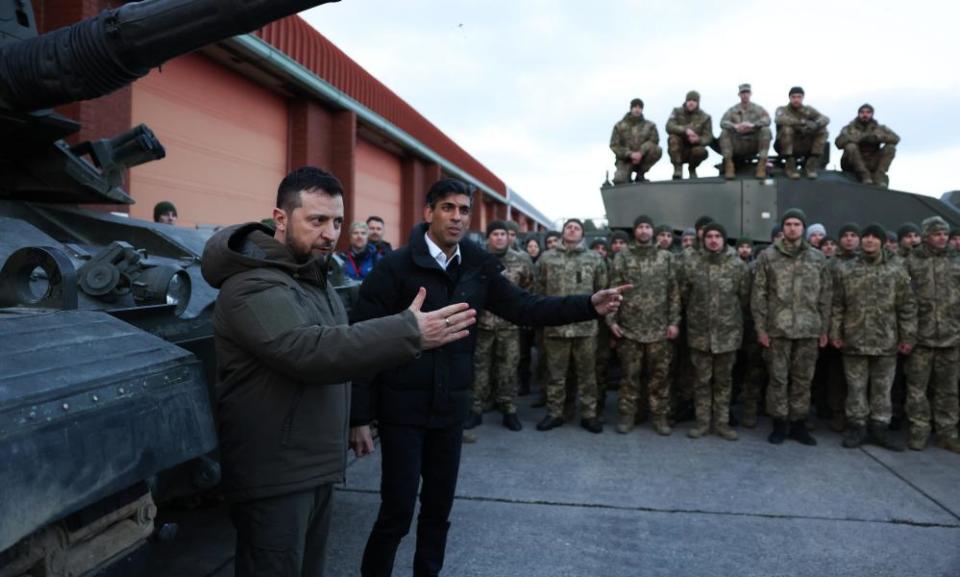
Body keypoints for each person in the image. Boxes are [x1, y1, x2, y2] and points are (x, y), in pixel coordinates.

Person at [200, 166, 474, 577]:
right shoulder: (253, 285)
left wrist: (354, 419)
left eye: (337, 222)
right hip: (276, 471)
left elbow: (341, 351)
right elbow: (307, 350)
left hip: (312, 463)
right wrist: (406, 331)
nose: (331, 234)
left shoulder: (310, 278)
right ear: (280, 218)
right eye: (317, 221)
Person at [349, 179, 627, 577]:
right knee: (396, 511)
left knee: (438, 511)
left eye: (464, 210)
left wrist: (588, 305)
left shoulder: (477, 267)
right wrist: (359, 416)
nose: (457, 217)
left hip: (449, 411)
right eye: (448, 208)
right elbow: (361, 340)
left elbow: (526, 308)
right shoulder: (396, 267)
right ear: (428, 213)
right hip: (402, 410)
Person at [830, 223, 916, 451]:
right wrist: (835, 332)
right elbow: (838, 304)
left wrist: (907, 336)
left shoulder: (898, 269)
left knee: (882, 388)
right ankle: (857, 427)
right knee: (856, 388)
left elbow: (907, 306)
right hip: (854, 339)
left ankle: (880, 428)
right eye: (865, 236)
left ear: (881, 241)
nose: (869, 240)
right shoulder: (846, 269)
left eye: (874, 237)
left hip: (886, 341)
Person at [752, 208, 831, 445]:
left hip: (808, 329)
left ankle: (798, 424)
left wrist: (824, 329)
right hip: (778, 329)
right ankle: (779, 423)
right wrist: (761, 329)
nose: (793, 228)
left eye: (797, 224)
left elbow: (825, 295)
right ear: (783, 228)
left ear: (803, 228)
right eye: (788, 224)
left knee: (803, 379)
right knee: (778, 379)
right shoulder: (768, 256)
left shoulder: (817, 258)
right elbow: (759, 295)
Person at [608, 215, 682, 435]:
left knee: (660, 377)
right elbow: (612, 291)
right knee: (629, 377)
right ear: (635, 231)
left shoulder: (666, 257)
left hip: (659, 330)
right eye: (640, 226)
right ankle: (628, 416)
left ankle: (659, 417)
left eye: (647, 227)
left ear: (653, 231)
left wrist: (674, 322)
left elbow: (674, 292)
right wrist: (611, 321)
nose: (644, 230)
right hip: (630, 329)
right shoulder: (622, 257)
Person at [535, 218, 611, 433]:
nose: (572, 230)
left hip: (585, 328)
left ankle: (589, 415)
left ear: (582, 234)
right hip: (555, 327)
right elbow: (538, 289)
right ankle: (555, 413)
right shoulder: (547, 258)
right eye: (569, 227)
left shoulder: (594, 258)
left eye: (576, 228)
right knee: (556, 375)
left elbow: (602, 290)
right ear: (562, 232)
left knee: (587, 374)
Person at [681, 221, 749, 440]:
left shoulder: (737, 265)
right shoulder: (692, 263)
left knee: (724, 382)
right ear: (704, 239)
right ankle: (702, 423)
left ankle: (721, 423)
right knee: (701, 381)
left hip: (727, 335)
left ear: (723, 239)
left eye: (717, 236)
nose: (713, 240)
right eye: (709, 236)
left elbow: (745, 298)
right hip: (700, 333)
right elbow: (683, 295)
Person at [465, 221, 535, 432]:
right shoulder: (477, 260)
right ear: (489, 237)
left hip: (510, 327)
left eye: (503, 234)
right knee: (479, 368)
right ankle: (476, 409)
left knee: (508, 368)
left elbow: (529, 289)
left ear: (509, 237)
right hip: (482, 325)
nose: (499, 238)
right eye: (494, 234)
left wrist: (523, 317)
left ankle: (509, 409)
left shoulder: (521, 260)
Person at [902, 216, 960, 453]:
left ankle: (948, 433)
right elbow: (903, 300)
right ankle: (919, 430)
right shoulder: (911, 262)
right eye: (936, 233)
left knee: (948, 389)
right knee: (917, 389)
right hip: (921, 337)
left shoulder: (956, 260)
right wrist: (907, 334)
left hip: (951, 336)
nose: (942, 237)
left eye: (944, 233)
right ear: (926, 236)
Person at [835, 104, 899, 188]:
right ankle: (864, 175)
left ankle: (879, 176)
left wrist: (878, 137)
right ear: (858, 114)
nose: (865, 115)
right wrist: (858, 138)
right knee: (851, 146)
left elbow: (895, 138)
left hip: (872, 161)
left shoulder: (880, 128)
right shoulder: (849, 128)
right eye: (862, 112)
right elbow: (838, 142)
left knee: (890, 148)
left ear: (872, 114)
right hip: (852, 162)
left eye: (868, 112)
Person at [774, 87, 830, 179]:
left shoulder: (808, 110)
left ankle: (810, 166)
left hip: (804, 143)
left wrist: (816, 124)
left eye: (799, 97)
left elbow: (825, 118)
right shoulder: (782, 109)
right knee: (787, 129)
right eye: (793, 97)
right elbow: (779, 119)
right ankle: (790, 167)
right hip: (786, 145)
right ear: (790, 98)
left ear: (802, 97)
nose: (796, 99)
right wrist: (802, 123)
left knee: (823, 130)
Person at [719, 83, 772, 179]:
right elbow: (723, 122)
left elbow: (767, 120)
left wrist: (753, 125)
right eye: (743, 93)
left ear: (750, 94)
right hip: (738, 143)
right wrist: (735, 126)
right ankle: (729, 165)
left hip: (753, 143)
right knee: (724, 133)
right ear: (739, 94)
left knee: (766, 130)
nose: (745, 95)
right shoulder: (732, 110)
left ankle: (761, 165)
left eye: (747, 92)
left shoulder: (758, 109)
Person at [610, 98, 662, 184]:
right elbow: (614, 145)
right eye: (635, 107)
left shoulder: (650, 125)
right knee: (619, 181)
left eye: (640, 107)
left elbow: (654, 141)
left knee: (657, 150)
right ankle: (627, 177)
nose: (637, 109)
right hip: (625, 160)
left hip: (643, 158)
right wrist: (630, 154)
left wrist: (641, 153)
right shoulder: (619, 126)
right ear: (631, 108)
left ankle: (640, 174)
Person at [666, 90, 714, 180]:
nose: (691, 103)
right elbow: (669, 126)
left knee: (701, 151)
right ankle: (678, 169)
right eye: (689, 100)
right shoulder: (676, 111)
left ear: (698, 102)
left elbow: (709, 137)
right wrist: (685, 130)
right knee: (673, 139)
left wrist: (698, 139)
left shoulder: (705, 117)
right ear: (686, 101)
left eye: (694, 100)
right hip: (679, 148)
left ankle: (692, 169)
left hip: (694, 149)